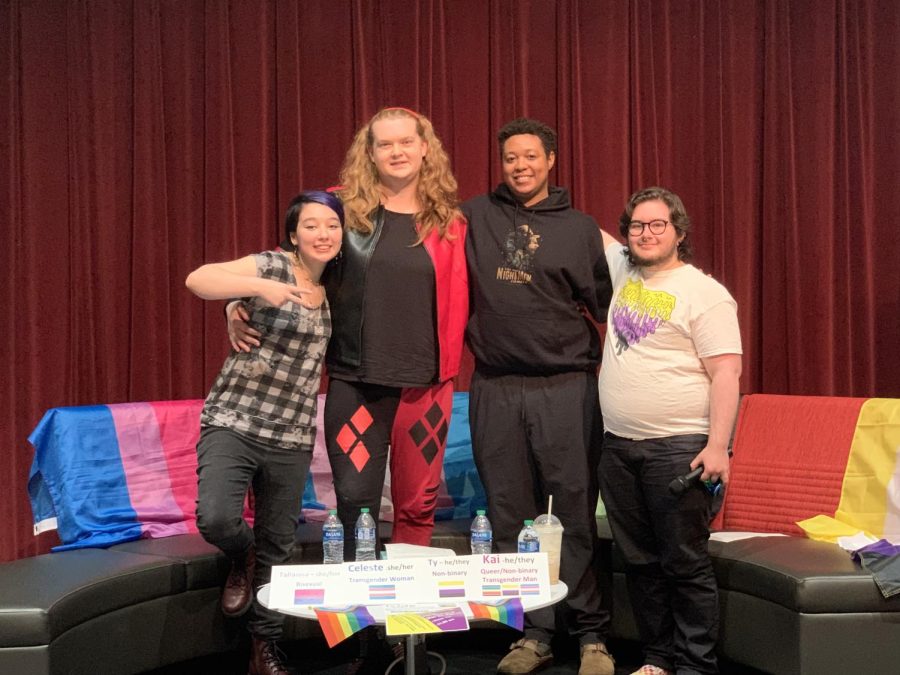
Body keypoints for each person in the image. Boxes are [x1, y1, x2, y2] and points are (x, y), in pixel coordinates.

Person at [462, 118, 615, 675]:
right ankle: (533, 635)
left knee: (572, 509)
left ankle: (593, 635)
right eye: (510, 158)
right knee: (510, 515)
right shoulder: (473, 216)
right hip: (496, 386)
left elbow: (608, 306)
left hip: (567, 387)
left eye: (530, 156)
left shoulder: (580, 229)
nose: (520, 166)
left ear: (550, 160)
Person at [186, 191, 343, 675]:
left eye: (332, 226)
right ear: (293, 235)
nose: (323, 234)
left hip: (292, 433)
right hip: (235, 418)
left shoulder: (339, 283)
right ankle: (240, 552)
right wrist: (249, 291)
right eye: (311, 226)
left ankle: (263, 649)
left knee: (279, 545)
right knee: (215, 517)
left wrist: (234, 305)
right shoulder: (274, 267)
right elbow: (199, 278)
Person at [597, 187, 743, 675]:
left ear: (679, 232)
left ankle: (695, 665)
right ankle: (657, 659)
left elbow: (726, 373)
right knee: (640, 564)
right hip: (618, 448)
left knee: (684, 564)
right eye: (637, 225)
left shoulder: (705, 293)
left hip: (680, 449)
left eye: (658, 224)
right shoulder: (622, 269)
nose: (647, 233)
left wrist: (718, 447)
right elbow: (581, 230)